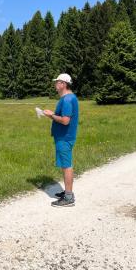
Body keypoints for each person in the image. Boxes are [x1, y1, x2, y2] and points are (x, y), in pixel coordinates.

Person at [44, 73, 79, 207]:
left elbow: (65, 121)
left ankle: (69, 198)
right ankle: (67, 192)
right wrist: (52, 114)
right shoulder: (68, 98)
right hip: (64, 137)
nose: (55, 84)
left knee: (66, 165)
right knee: (65, 164)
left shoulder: (67, 100)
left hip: (65, 138)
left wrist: (50, 115)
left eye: (57, 82)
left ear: (63, 84)